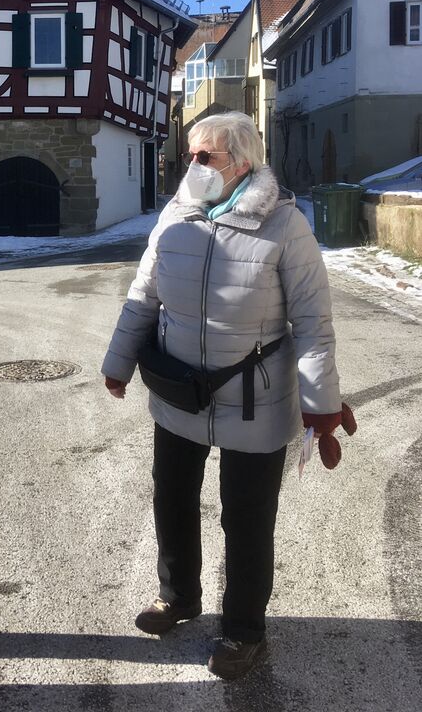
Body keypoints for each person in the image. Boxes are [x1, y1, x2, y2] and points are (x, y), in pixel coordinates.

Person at [101, 112, 355, 681]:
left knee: (245, 519)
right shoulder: (174, 217)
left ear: (242, 161)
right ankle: (180, 597)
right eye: (188, 155)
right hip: (177, 392)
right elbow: (143, 296)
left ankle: (244, 631)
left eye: (204, 157)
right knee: (171, 499)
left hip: (254, 401)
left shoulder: (285, 226)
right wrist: (119, 363)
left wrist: (321, 408)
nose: (191, 165)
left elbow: (314, 323)